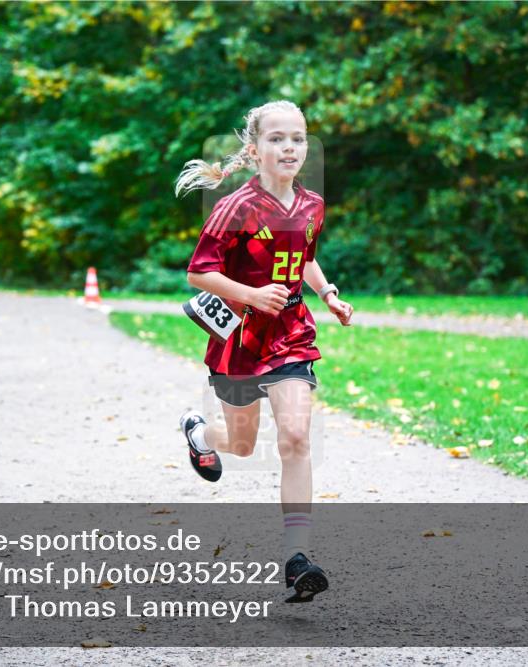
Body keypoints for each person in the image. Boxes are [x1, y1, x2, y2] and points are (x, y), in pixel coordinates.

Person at [174, 100, 354, 603]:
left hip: (292, 333)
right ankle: (199, 432)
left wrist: (328, 294)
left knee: (296, 437)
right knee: (243, 444)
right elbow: (198, 271)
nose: (290, 147)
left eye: (297, 138)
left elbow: (307, 257)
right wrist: (251, 295)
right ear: (255, 150)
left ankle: (297, 557)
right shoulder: (236, 208)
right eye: (277, 139)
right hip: (239, 340)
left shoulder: (313, 204)